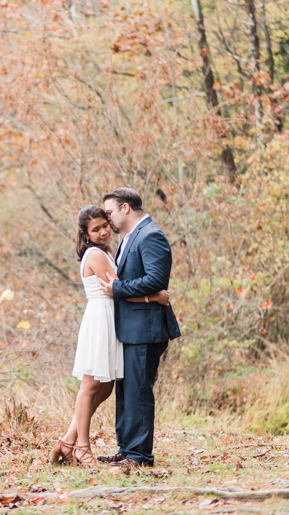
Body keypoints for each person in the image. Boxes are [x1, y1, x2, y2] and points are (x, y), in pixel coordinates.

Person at [50, 205, 170, 467]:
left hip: (110, 319)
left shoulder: (103, 252)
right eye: (96, 229)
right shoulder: (96, 255)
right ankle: (82, 447)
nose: (104, 231)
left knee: (105, 386)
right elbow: (117, 289)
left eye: (105, 225)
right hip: (101, 320)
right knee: (91, 386)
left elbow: (117, 289)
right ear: (86, 234)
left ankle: (67, 442)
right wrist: (153, 296)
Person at [96, 188, 181, 468]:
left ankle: (140, 456)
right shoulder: (131, 237)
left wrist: (117, 289)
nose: (107, 220)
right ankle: (126, 449)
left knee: (139, 392)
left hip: (146, 328)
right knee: (127, 391)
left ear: (125, 208)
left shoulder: (150, 235)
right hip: (130, 328)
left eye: (108, 213)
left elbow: (156, 279)